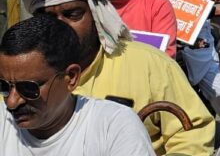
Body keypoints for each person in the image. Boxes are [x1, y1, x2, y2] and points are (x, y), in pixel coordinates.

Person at [21, 0, 215, 155]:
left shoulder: (149, 64)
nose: (61, 27)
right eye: (49, 19)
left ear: (95, 14)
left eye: (72, 14)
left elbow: (192, 134)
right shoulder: (18, 75)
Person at [0, 14, 155, 155]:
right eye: (4, 87)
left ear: (71, 77)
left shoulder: (113, 126)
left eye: (28, 88)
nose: (12, 102)